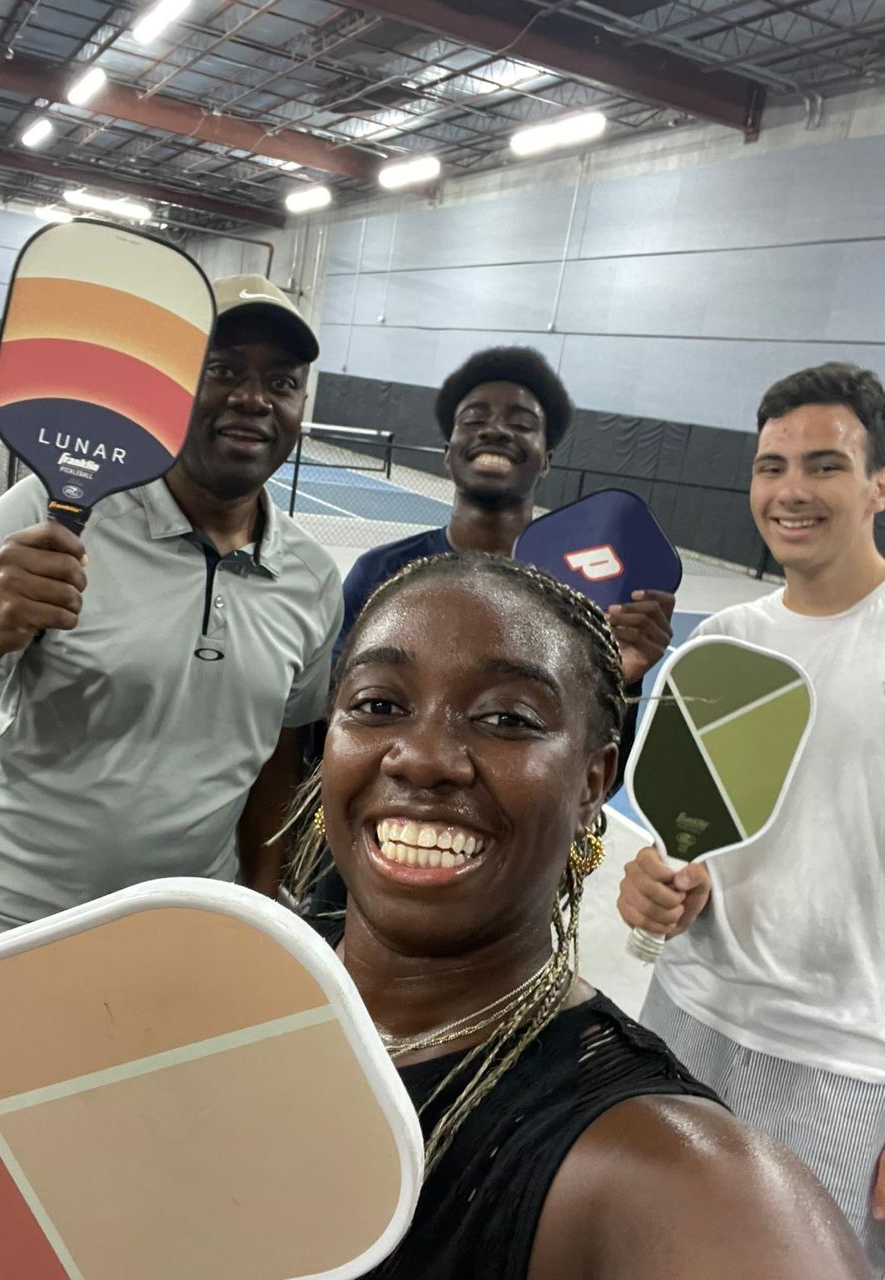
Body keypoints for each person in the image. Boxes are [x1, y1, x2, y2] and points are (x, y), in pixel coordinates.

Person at [283, 551, 868, 1280]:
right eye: (378, 705)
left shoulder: (666, 1178)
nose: (425, 757)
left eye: (506, 718)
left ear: (594, 782)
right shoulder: (220, 998)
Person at [0, 275, 342, 953]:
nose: (253, 398)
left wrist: (258, 917)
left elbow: (278, 759)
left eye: (282, 381)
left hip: (179, 952)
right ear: (174, 388)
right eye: (224, 370)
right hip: (5, 936)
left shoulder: (313, 579)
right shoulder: (48, 517)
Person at [618, 362, 885, 1276]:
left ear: (880, 484)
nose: (791, 491)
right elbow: (690, 844)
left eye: (824, 465)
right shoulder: (725, 646)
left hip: (847, 1064)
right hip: (689, 1016)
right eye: (771, 466)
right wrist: (657, 888)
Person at [335, 346, 674, 689]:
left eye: (522, 423)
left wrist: (623, 682)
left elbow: (605, 738)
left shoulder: (585, 594)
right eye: (473, 420)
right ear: (447, 454)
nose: (496, 430)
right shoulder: (378, 573)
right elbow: (333, 711)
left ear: (546, 460)